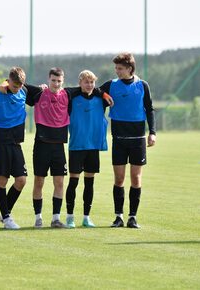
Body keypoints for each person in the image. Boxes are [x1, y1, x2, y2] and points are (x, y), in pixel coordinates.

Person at [100, 52, 156, 229]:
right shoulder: (111, 85)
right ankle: (118, 217)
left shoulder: (142, 85)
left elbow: (150, 109)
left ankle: (133, 217)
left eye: (120, 68)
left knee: (136, 178)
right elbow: (93, 91)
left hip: (138, 139)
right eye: (116, 68)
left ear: (130, 69)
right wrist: (104, 96)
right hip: (119, 139)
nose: (117, 71)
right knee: (119, 179)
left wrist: (152, 132)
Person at [0, 67, 39, 230]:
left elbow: (38, 92)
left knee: (21, 180)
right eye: (14, 85)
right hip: (0, 142)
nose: (17, 89)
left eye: (19, 86)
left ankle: (5, 213)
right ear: (8, 80)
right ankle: (7, 217)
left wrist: (43, 87)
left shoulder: (24, 90)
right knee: (2, 180)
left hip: (16, 143)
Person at [22, 68, 71, 229]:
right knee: (39, 181)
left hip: (59, 147)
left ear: (62, 81)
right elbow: (14, 81)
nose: (56, 84)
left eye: (59, 81)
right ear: (48, 80)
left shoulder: (67, 94)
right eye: (53, 80)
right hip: (41, 145)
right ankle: (38, 218)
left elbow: (91, 89)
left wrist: (105, 95)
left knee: (59, 182)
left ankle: (56, 219)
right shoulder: (38, 92)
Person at [65, 70, 111, 228]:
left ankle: (86, 217)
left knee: (89, 183)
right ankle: (70, 217)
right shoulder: (72, 98)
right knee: (73, 182)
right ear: (80, 83)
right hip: (77, 146)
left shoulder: (101, 99)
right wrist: (99, 91)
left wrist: (102, 93)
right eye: (86, 82)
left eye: (92, 82)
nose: (90, 85)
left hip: (93, 146)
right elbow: (64, 90)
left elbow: (112, 94)